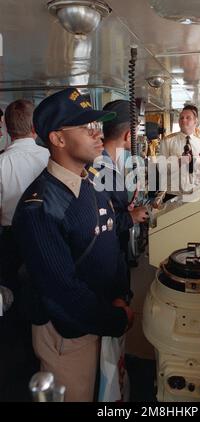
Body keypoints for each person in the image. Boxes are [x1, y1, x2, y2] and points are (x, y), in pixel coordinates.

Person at [12, 89, 134, 402]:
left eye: (98, 127)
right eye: (87, 128)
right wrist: (117, 319)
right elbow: (62, 292)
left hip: (103, 318)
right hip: (70, 336)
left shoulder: (91, 184)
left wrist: (121, 295)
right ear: (58, 139)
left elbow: (110, 241)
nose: (98, 135)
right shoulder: (39, 208)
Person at [92, 99, 149, 269]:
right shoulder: (101, 169)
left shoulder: (105, 162)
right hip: (107, 257)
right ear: (128, 136)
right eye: (137, 132)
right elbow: (97, 224)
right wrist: (131, 217)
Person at [0, 100, 49, 288]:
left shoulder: (2, 162)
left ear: (7, 128)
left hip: (11, 240)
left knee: (13, 292)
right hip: (47, 234)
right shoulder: (51, 158)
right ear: (35, 127)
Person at [159, 104, 200, 198]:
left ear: (195, 121)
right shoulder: (167, 141)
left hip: (194, 191)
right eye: (181, 118)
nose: (183, 120)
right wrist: (178, 163)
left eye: (188, 118)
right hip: (173, 193)